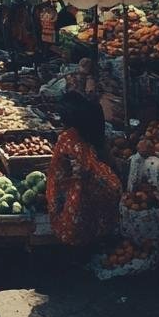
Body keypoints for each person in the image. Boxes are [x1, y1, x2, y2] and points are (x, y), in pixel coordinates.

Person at [47, 91, 123, 247]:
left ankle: (79, 244)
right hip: (107, 192)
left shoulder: (69, 139)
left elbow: (69, 174)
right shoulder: (92, 133)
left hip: (82, 198)